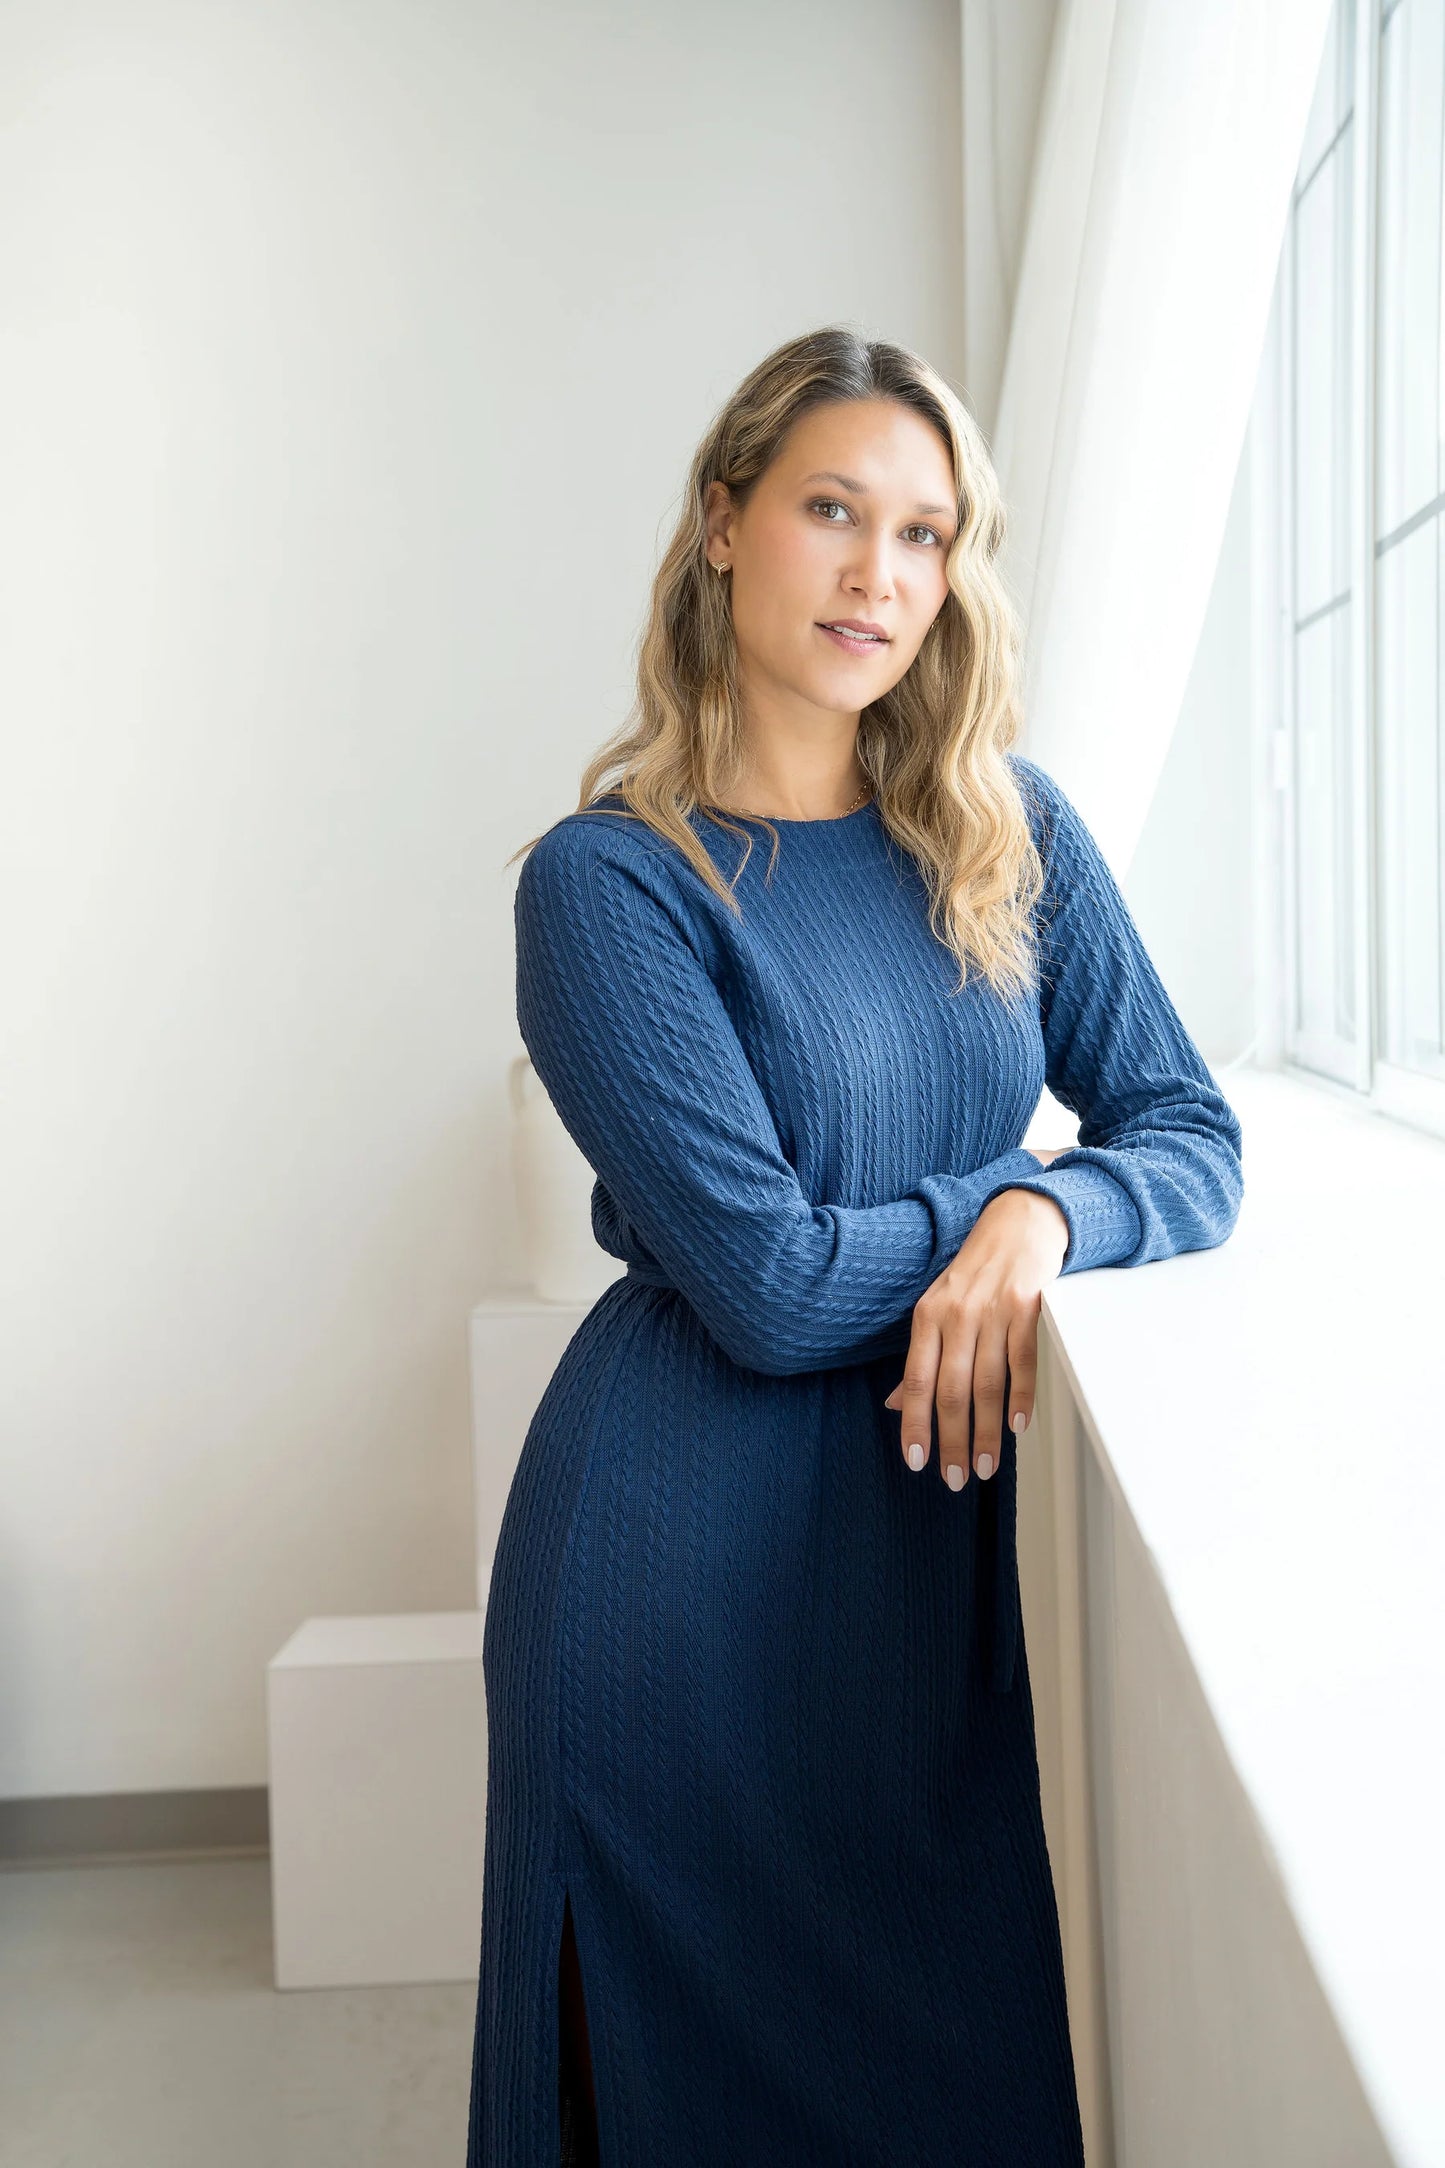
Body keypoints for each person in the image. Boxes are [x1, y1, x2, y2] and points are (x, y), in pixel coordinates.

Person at [465, 325, 1243, 2166]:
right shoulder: (608, 884)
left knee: (952, 2077)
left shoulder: (1005, 830)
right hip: (673, 1576)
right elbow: (765, 1282)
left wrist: (1056, 1203)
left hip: (909, 1582)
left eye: (923, 533)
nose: (880, 573)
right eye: (833, 510)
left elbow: (1193, 1137)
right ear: (724, 524)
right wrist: (998, 1202)